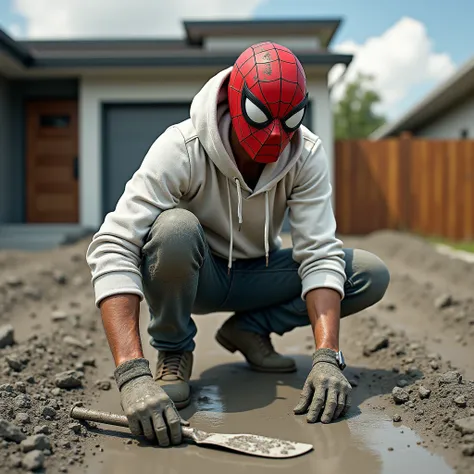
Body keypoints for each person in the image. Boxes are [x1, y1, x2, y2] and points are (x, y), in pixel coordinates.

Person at [86, 41, 390, 448]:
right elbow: (114, 243)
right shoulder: (183, 147)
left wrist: (327, 356)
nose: (276, 134)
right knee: (174, 229)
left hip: (258, 273)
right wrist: (131, 373)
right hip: (195, 274)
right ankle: (174, 351)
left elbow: (318, 252)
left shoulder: (305, 154)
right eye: (261, 117)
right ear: (234, 101)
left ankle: (249, 328)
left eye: (290, 120)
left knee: (366, 272)